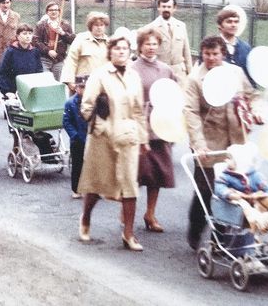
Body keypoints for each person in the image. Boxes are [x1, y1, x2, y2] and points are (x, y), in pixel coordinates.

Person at [183, 35, 257, 250]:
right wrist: (199, 144)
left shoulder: (235, 73)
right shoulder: (195, 78)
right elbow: (191, 112)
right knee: (206, 191)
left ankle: (220, 239)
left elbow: (251, 96)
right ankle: (195, 229)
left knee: (232, 190)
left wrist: (256, 111)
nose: (211, 58)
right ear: (202, 54)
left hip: (235, 142)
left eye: (215, 54)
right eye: (207, 54)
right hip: (208, 143)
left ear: (223, 54)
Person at [78, 36, 148, 251]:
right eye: (117, 48)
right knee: (96, 184)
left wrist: (142, 138)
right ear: (110, 52)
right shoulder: (100, 75)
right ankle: (85, 218)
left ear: (130, 51)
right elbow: (86, 107)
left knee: (130, 186)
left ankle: (128, 234)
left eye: (125, 48)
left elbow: (138, 109)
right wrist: (101, 127)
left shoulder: (135, 76)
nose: (121, 52)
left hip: (128, 137)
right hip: (103, 138)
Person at [131, 28, 176, 232]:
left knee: (157, 172)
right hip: (140, 124)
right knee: (137, 171)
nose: (151, 47)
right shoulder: (132, 69)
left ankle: (150, 213)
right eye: (147, 44)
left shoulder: (166, 69)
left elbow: (175, 94)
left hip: (161, 125)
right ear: (140, 46)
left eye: (154, 44)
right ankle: (127, 209)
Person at [215, 143, 268, 234]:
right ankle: (266, 220)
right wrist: (228, 194)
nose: (225, 160)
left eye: (229, 158)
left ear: (240, 161)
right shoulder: (225, 176)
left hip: (257, 204)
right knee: (243, 204)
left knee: (266, 198)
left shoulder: (254, 175)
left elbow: (266, 188)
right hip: (239, 208)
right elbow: (219, 187)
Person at [142, 0, 192, 84]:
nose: (166, 9)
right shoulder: (151, 28)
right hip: (160, 72)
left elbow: (186, 51)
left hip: (180, 73)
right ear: (158, 8)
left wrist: (190, 72)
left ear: (174, 8)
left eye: (169, 7)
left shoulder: (181, 26)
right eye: (163, 7)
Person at [62, 11, 110, 91]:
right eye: (96, 25)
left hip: (102, 85)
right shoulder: (81, 39)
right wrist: (70, 81)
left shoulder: (109, 43)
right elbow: (71, 60)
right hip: (82, 84)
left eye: (102, 25)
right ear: (91, 26)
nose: (99, 27)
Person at [0, 23, 43, 97]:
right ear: (18, 36)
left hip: (31, 90)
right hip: (13, 92)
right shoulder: (10, 51)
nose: (28, 36)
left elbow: (39, 71)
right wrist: (7, 91)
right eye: (24, 34)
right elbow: (2, 73)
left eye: (30, 33)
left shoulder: (35, 51)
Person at [33, 2, 74, 82]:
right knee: (46, 82)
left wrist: (63, 33)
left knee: (58, 83)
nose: (53, 12)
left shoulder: (65, 25)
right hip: (44, 59)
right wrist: (48, 51)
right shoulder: (40, 25)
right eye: (51, 10)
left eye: (56, 10)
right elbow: (36, 41)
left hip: (59, 59)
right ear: (47, 12)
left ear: (59, 11)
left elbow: (72, 40)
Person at [63, 74, 89, 199]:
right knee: (77, 164)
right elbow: (66, 122)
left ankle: (92, 189)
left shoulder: (93, 101)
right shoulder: (70, 103)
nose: (83, 90)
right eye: (81, 87)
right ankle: (76, 189)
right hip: (78, 138)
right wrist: (75, 135)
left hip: (90, 137)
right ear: (76, 88)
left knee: (92, 164)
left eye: (86, 87)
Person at [216, 8, 253, 86]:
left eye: (236, 22)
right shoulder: (212, 47)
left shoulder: (246, 48)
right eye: (229, 22)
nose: (233, 25)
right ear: (220, 26)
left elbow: (250, 76)